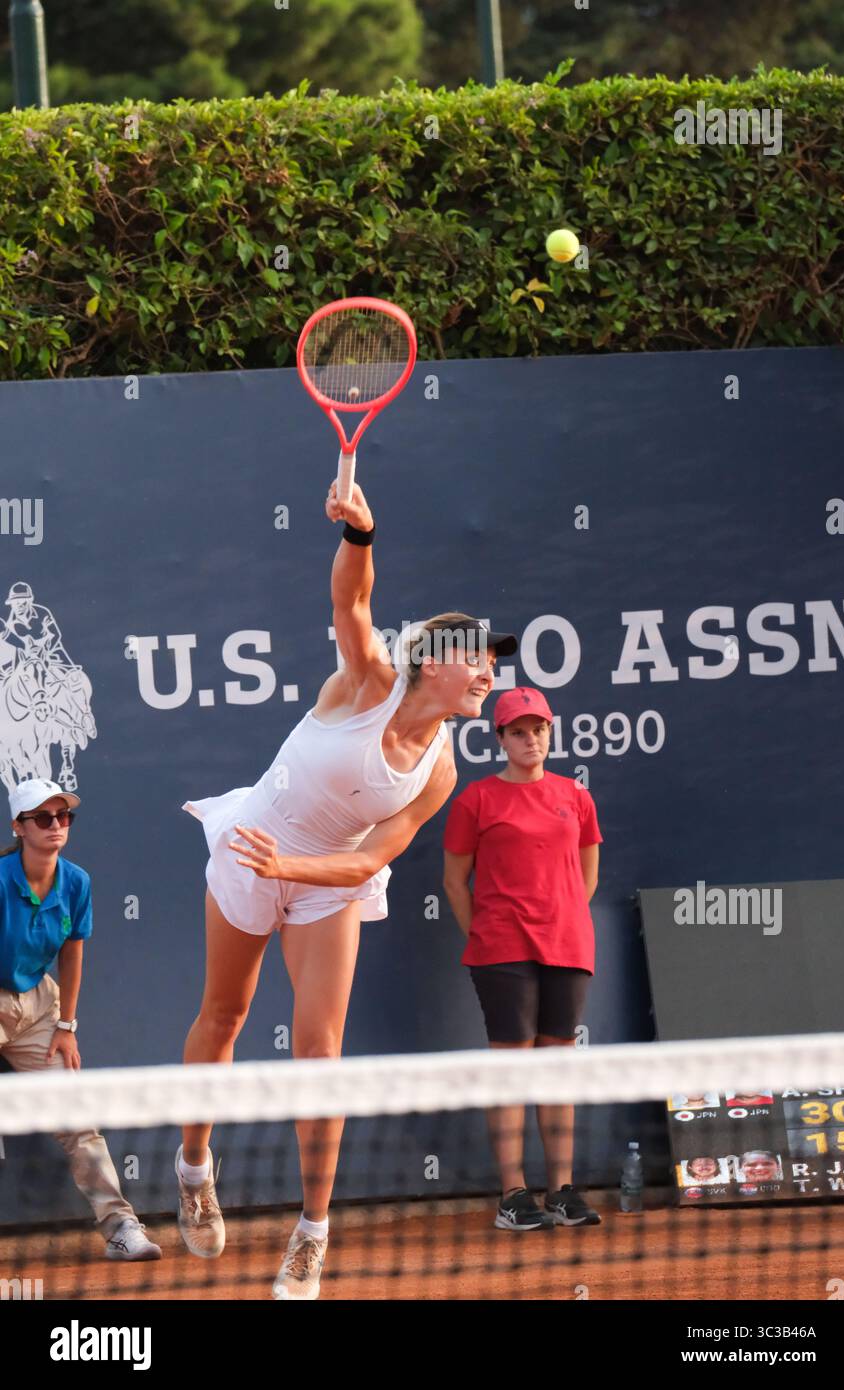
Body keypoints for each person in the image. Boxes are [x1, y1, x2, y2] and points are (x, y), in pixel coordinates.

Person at [179, 478, 517, 1300]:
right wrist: (362, 534)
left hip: (320, 880)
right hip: (251, 844)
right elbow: (351, 602)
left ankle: (312, 1234)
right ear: (433, 663)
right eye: (478, 659)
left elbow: (371, 862)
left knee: (321, 1052)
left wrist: (291, 870)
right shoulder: (367, 681)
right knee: (224, 1015)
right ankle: (193, 1165)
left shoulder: (441, 770)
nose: (490, 675)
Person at [442, 688, 603, 1231]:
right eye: (518, 731)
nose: (530, 738)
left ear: (550, 733)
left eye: (538, 729)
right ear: (500, 739)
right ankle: (513, 1193)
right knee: (512, 1069)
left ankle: (562, 1191)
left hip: (567, 944)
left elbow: (587, 873)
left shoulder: (575, 797)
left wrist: (565, 920)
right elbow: (454, 881)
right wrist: (485, 935)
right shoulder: (476, 800)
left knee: (556, 1066)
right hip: (502, 948)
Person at [0, 778, 161, 1261]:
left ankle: (121, 1228)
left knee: (78, 1121)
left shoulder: (76, 882)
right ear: (19, 827)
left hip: (38, 1007)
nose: (56, 826)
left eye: (63, 817)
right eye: (43, 818)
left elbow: (72, 953)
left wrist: (66, 1025)